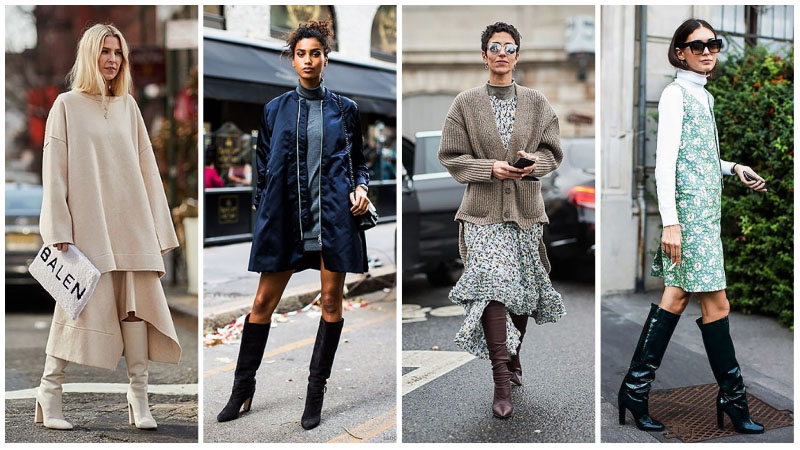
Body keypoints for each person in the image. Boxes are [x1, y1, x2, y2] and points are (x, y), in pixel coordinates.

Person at [216, 19, 371, 430]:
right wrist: (262, 223)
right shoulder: (274, 110)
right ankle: (242, 389)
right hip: (285, 219)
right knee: (261, 305)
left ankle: (315, 393)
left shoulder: (346, 110)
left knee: (332, 303)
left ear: (325, 59)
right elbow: (262, 171)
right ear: (292, 60)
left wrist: (361, 188)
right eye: (300, 54)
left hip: (334, 220)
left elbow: (360, 164)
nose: (308, 60)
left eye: (315, 53)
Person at [617, 18, 767, 434]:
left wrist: (734, 167)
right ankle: (733, 400)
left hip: (705, 214)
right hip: (689, 219)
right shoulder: (674, 94)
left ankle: (635, 389)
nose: (707, 51)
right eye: (696, 45)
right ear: (679, 51)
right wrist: (671, 224)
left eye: (713, 44)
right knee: (713, 303)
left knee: (678, 298)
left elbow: (697, 157)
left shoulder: (705, 96)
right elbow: (665, 164)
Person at [37, 23, 181, 430]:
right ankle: (50, 392)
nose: (113, 59)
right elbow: (56, 172)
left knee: (135, 308)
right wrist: (58, 228)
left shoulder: (129, 107)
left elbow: (147, 170)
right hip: (88, 227)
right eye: (105, 51)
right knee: (77, 307)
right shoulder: (65, 105)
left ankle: (139, 397)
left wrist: (159, 227)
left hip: (131, 224)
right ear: (89, 55)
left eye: (118, 52)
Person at [438, 22, 566, 419]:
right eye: (494, 47)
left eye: (509, 47)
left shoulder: (537, 102)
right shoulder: (464, 103)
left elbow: (553, 152)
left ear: (517, 55)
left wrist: (532, 165)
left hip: (526, 212)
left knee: (522, 293)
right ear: (484, 55)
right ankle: (500, 379)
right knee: (494, 286)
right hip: (481, 212)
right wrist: (490, 168)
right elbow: (450, 156)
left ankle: (514, 356)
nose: (502, 53)